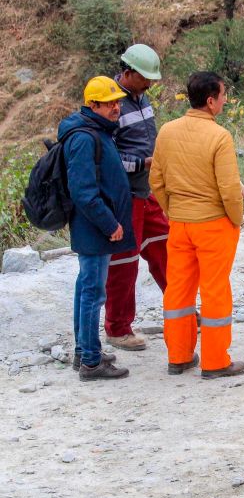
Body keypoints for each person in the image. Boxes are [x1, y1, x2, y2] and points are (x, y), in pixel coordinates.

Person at [149, 71, 244, 379]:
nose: (225, 100)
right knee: (215, 290)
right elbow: (230, 189)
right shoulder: (219, 137)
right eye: (223, 96)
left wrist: (172, 210)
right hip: (214, 225)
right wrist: (236, 219)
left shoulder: (167, 131)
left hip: (179, 224)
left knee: (178, 291)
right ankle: (215, 362)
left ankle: (178, 356)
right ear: (210, 101)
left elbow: (156, 180)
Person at [60, 76, 135, 381]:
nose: (116, 107)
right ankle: (91, 361)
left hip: (94, 227)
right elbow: (84, 192)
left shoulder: (95, 130)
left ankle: (84, 352)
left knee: (86, 289)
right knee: (93, 292)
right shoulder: (84, 137)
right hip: (95, 228)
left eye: (118, 101)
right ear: (93, 105)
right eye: (109, 103)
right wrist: (110, 224)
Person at [104, 44, 169, 351]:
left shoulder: (141, 97)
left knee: (166, 248)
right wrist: (141, 163)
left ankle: (179, 310)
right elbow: (105, 156)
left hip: (146, 191)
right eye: (145, 79)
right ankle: (118, 329)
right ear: (127, 73)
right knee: (125, 262)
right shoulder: (111, 104)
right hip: (124, 196)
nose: (150, 85)